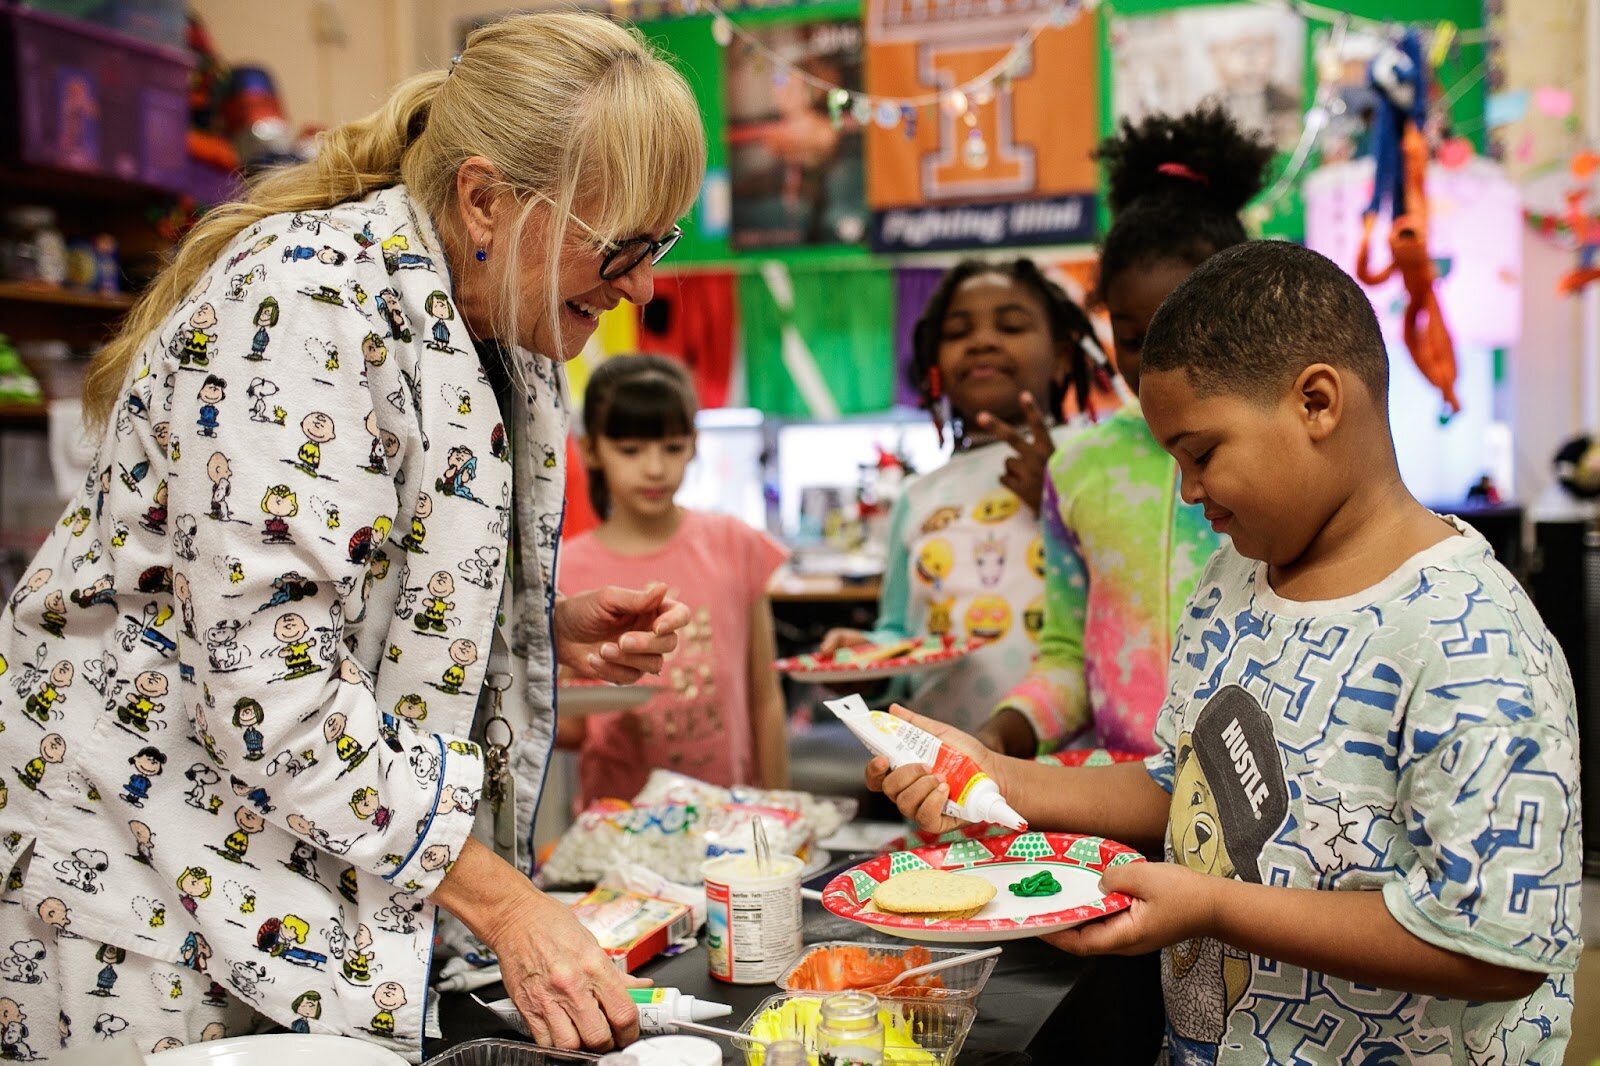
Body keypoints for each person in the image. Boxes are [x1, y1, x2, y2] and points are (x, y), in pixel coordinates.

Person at [0, 12, 706, 1060]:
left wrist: (533, 626)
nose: (645, 286)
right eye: (622, 248)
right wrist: (506, 905)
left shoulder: (491, 318)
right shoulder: (301, 303)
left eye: (663, 243)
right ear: (483, 198)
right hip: (142, 889)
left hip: (271, 866)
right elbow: (272, 690)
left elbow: (342, 579)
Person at [869, 242, 1584, 1064]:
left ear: (1317, 402)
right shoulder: (1234, 579)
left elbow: (1493, 947)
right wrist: (998, 777)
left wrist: (1211, 907)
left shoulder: (1474, 639)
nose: (1188, 491)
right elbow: (1179, 783)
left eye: (1202, 453)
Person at [978, 105, 1273, 758]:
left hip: (1259, 813)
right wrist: (1000, 735)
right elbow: (1065, 658)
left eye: (1187, 324)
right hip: (1117, 800)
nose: (1162, 358)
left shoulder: (1281, 463)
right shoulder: (1080, 470)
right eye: (1135, 337)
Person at [819, 259, 1108, 730]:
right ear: (936, 369)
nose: (982, 340)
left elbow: (1137, 600)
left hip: (1075, 766)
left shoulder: (1095, 459)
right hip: (940, 768)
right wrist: (870, 659)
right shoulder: (919, 496)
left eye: (1011, 325)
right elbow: (900, 631)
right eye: (957, 333)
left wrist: (1059, 505)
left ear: (1060, 358)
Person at [557, 355, 789, 806]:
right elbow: (566, 723)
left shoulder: (733, 542)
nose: (654, 468)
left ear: (694, 444)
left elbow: (765, 696)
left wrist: (778, 805)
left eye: (672, 447)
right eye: (630, 450)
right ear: (591, 450)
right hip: (620, 823)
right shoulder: (566, 567)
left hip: (731, 810)